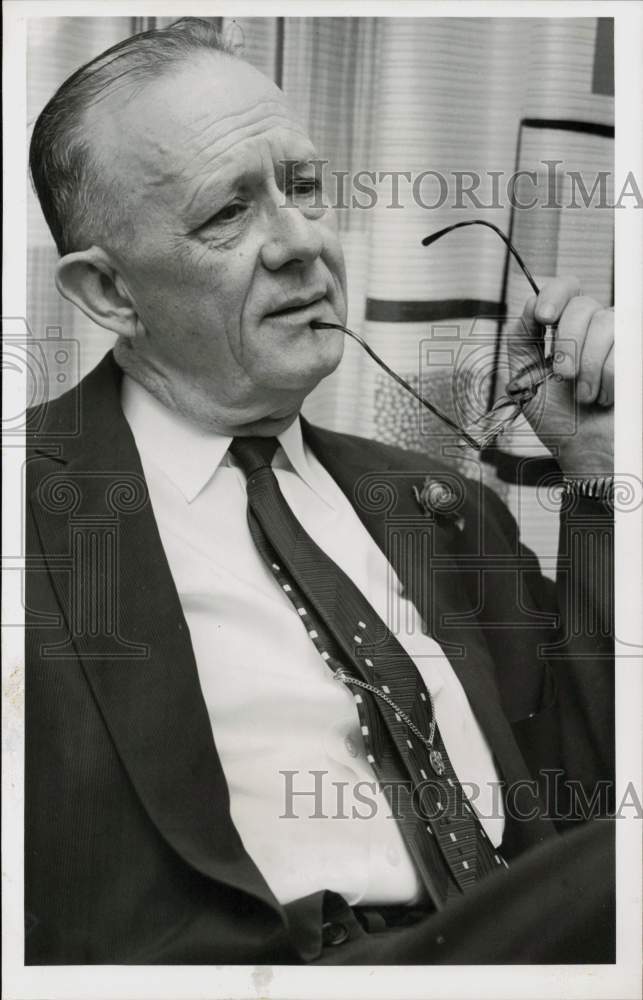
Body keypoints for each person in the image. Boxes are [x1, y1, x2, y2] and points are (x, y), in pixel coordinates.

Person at [25, 18, 614, 966]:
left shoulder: (438, 508)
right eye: (228, 213)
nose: (302, 243)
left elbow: (603, 777)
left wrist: (601, 469)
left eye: (302, 188)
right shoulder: (30, 521)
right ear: (107, 294)